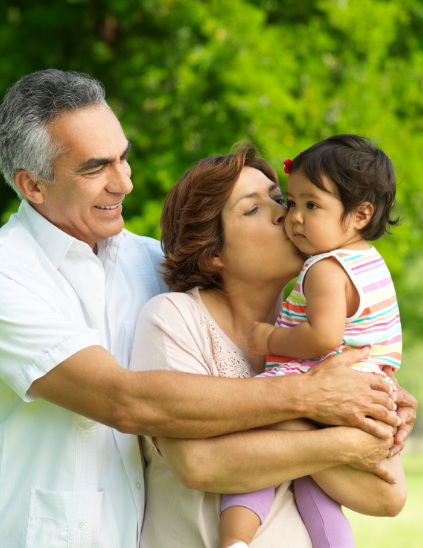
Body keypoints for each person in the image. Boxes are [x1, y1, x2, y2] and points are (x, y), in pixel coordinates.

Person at [0, 69, 415, 548]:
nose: (125, 183)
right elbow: (126, 403)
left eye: (124, 159)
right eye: (95, 167)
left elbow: (388, 494)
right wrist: (317, 401)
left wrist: (379, 402)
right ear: (33, 186)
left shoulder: (151, 264)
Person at [130, 144, 408, 548]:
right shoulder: (173, 319)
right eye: (252, 209)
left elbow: (387, 494)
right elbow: (198, 463)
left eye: (280, 199)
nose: (286, 214)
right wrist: (337, 434)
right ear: (213, 254)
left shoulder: (325, 332)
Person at [218, 136, 404, 548]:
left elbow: (324, 338)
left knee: (260, 455)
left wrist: (271, 337)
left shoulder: (326, 268)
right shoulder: (368, 260)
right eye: (293, 202)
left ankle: (234, 539)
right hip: (371, 389)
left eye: (312, 205)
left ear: (360, 214)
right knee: (314, 490)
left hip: (328, 383)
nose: (294, 218)